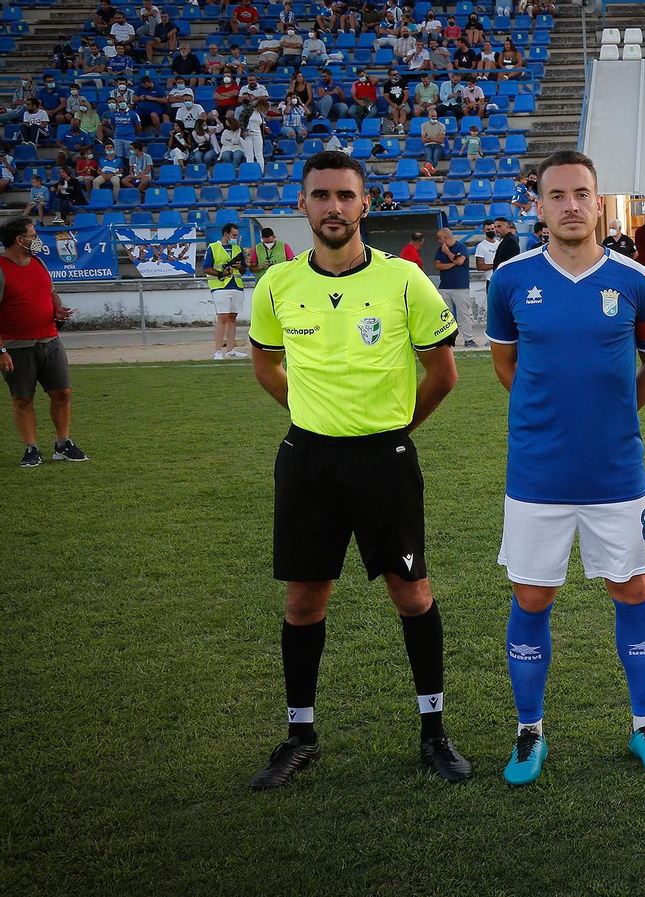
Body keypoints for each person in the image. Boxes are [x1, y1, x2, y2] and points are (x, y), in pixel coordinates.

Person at [245, 151, 465, 790]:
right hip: (307, 460)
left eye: (345, 195)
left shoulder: (405, 281)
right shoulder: (278, 285)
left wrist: (392, 431)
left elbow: (443, 375)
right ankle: (300, 736)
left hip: (384, 459)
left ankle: (434, 733)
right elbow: (265, 365)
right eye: (321, 196)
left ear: (365, 204)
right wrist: (316, 414)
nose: (333, 207)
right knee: (304, 597)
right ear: (303, 205)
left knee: (411, 592)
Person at [486, 150, 645, 785]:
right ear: (537, 205)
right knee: (533, 594)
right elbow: (507, 366)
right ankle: (528, 731)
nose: (571, 205)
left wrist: (613, 417)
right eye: (557, 195)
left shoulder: (634, 281)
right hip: (537, 473)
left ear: (599, 203)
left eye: (582, 194)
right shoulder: (509, 281)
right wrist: (550, 421)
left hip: (616, 472)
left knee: (631, 588)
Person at [0, 218, 88, 468]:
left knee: (62, 392)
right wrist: (2, 350)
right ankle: (31, 448)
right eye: (32, 235)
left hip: (50, 339)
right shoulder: (1, 268)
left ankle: (63, 444)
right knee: (23, 398)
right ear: (19, 240)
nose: (36, 240)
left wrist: (57, 308)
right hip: (17, 346)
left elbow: (49, 291)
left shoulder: (37, 262)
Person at [204, 223, 249, 360]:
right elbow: (206, 268)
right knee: (222, 317)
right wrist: (221, 273)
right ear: (226, 234)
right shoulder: (213, 247)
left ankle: (231, 349)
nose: (235, 238)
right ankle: (218, 351)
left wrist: (240, 266)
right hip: (220, 286)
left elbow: (243, 270)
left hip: (236, 285)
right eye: (234, 235)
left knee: (232, 317)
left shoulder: (237, 248)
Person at [434, 227, 477, 347]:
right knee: (446, 315)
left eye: (440, 238)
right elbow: (437, 266)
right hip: (445, 286)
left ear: (446, 237)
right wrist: (453, 262)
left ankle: (468, 338)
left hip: (460, 286)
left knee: (464, 314)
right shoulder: (439, 250)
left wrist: (448, 253)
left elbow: (460, 261)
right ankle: (448, 338)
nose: (438, 241)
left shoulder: (461, 247)